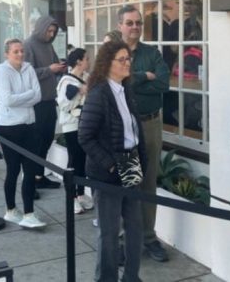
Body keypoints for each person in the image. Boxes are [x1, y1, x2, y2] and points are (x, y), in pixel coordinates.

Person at [78, 41, 146, 282]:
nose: (127, 63)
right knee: (109, 233)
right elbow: (84, 136)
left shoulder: (125, 89)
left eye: (129, 59)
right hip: (107, 170)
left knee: (135, 228)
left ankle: (131, 277)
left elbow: (132, 132)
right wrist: (110, 165)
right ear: (108, 64)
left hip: (130, 162)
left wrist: (138, 162)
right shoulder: (99, 94)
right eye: (122, 59)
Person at [118, 4, 170, 262]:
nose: (135, 27)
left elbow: (163, 83)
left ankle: (149, 238)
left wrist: (134, 79)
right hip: (125, 125)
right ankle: (125, 239)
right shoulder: (113, 54)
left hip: (150, 124)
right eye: (129, 23)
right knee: (128, 180)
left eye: (138, 22)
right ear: (121, 26)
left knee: (148, 183)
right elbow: (115, 82)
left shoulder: (152, 53)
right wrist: (142, 77)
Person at [0, 39, 46, 229]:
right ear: (7, 54)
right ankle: (10, 209)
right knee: (13, 170)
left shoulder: (29, 68)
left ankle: (29, 213)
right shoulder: (2, 72)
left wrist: (25, 98)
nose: (20, 54)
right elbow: (7, 100)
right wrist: (28, 96)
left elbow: (38, 95)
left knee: (30, 170)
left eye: (22, 51)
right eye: (15, 51)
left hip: (29, 125)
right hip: (9, 127)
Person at [24, 15, 66, 189]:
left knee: (48, 139)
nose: (51, 34)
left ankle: (39, 176)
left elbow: (54, 64)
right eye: (49, 31)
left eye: (54, 32)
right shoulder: (28, 45)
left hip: (50, 99)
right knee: (36, 142)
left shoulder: (48, 45)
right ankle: (31, 180)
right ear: (41, 28)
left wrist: (60, 66)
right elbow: (27, 72)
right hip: (37, 101)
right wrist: (50, 69)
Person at [56, 48, 94, 214]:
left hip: (86, 124)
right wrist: (80, 91)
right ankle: (71, 197)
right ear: (78, 61)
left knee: (83, 160)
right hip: (72, 126)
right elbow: (64, 105)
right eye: (86, 58)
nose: (88, 61)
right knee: (74, 159)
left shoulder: (86, 77)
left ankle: (80, 194)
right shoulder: (66, 82)